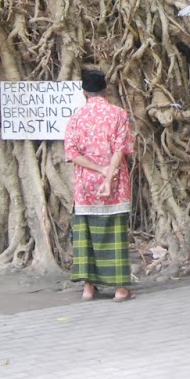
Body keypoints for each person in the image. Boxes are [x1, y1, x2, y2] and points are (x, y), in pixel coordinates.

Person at [65, 67, 134, 302]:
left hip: (85, 185)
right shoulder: (118, 114)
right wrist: (108, 174)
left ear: (84, 93)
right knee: (115, 235)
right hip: (115, 183)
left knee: (86, 235)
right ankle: (120, 290)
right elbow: (120, 149)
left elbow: (72, 153)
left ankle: (88, 288)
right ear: (106, 90)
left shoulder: (76, 117)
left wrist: (97, 170)